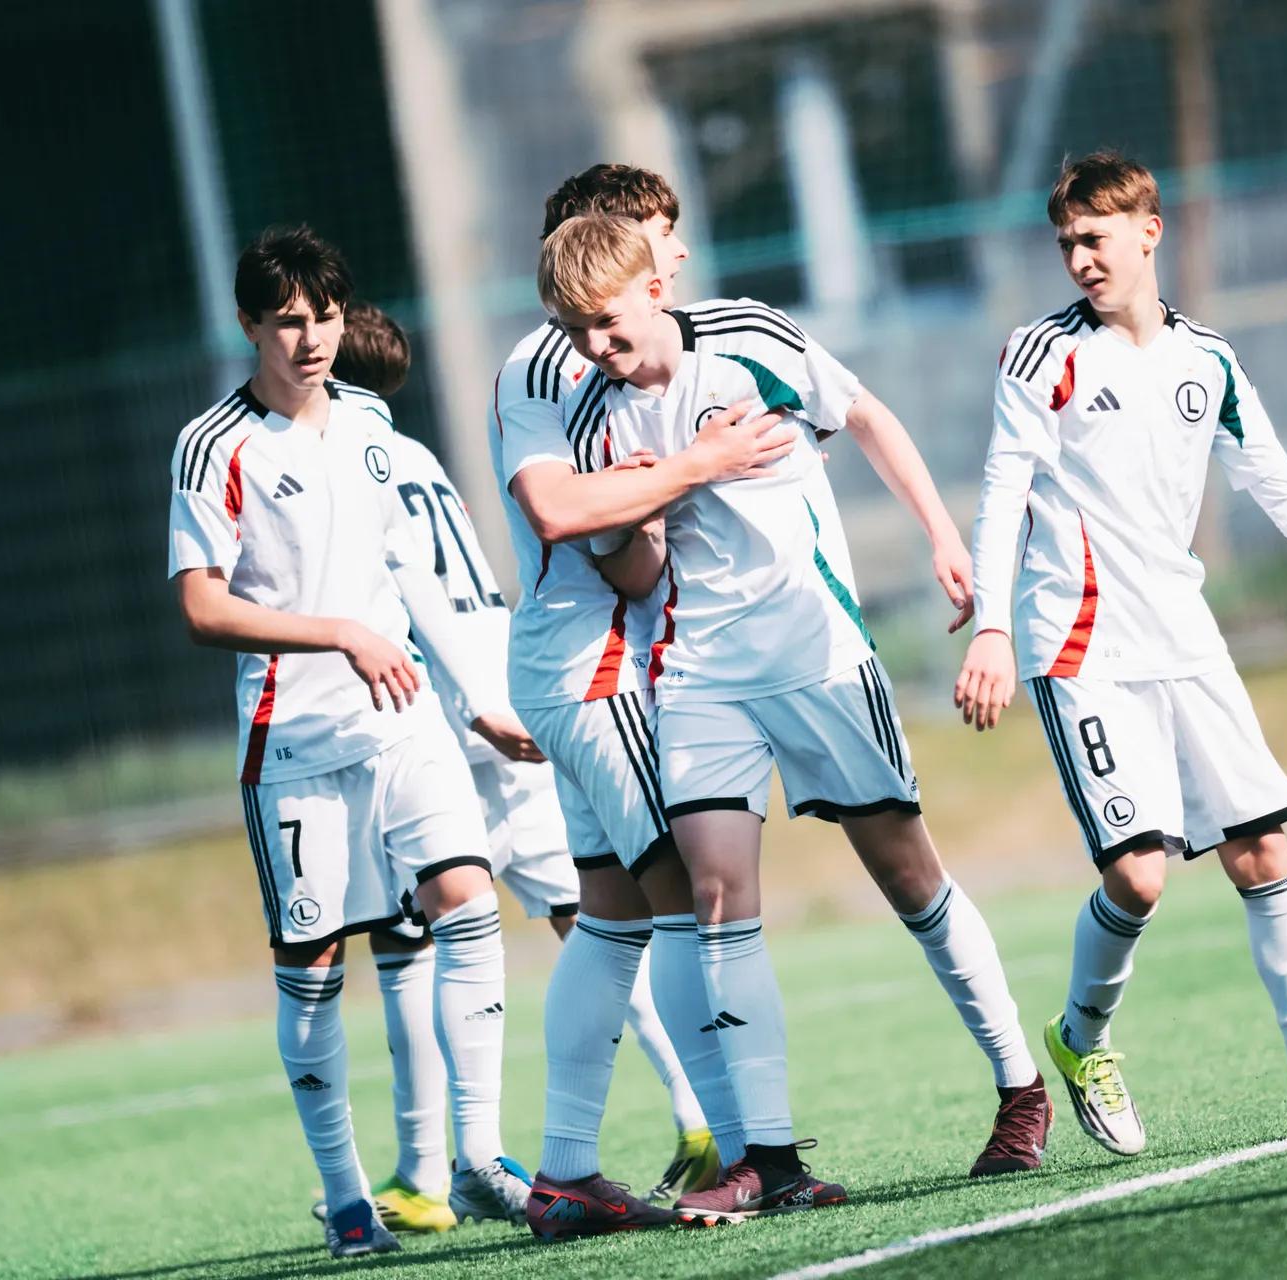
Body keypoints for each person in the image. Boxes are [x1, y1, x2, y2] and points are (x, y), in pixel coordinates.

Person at [534, 212, 1050, 1224]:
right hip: (695, 674)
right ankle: (768, 1157)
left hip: (816, 653)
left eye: (604, 320)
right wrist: (632, 518)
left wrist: (944, 536)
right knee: (719, 895)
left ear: (649, 284)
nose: (596, 344)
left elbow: (866, 416)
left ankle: (1020, 1086)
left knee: (911, 875)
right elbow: (640, 575)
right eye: (573, 329)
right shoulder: (595, 418)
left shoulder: (747, 339)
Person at [954, 151, 1287, 1156]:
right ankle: (1082, 1036)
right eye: (1066, 244)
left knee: (1263, 849)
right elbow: (1005, 487)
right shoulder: (1037, 354)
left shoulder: (1207, 360)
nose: (1080, 260)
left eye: (1095, 238)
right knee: (1139, 875)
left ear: (1150, 229)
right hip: (1080, 646)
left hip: (1186, 639)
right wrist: (996, 626)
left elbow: (1283, 488)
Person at [166, 227, 527, 1258]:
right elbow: (201, 608)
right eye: (288, 319)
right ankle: (350, 1198)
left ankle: (482, 1153)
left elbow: (416, 571)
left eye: (324, 315)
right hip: (295, 742)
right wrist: (339, 631)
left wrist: (478, 700)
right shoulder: (212, 445)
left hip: (404, 716)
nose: (312, 336)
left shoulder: (370, 421)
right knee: (314, 962)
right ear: (249, 324)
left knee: (467, 899)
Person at [328, 300, 719, 1221]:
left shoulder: (341, 455)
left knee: (433, 930)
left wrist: (469, 699)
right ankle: (688, 1119)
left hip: (444, 709)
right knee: (582, 918)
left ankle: (443, 1167)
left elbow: (399, 585)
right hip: (504, 683)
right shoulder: (418, 457)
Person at [492, 165, 802, 1238]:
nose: (668, 257)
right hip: (598, 663)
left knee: (612, 916)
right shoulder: (555, 362)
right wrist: (703, 459)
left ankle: (568, 1170)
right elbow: (561, 508)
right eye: (650, 237)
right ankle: (748, 1155)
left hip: (577, 659)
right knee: (684, 903)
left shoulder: (621, 347)